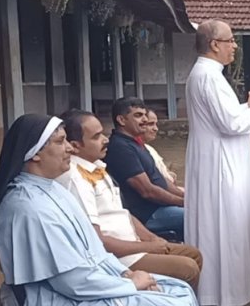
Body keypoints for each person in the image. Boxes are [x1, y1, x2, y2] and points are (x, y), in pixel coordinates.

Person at [0, 114, 212, 306]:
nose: (69, 147)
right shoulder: (28, 208)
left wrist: (125, 272)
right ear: (35, 153)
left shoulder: (52, 189)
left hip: (93, 284)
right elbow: (72, 282)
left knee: (180, 292)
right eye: (60, 142)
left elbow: (94, 250)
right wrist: (129, 283)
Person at [185, 19, 250, 306]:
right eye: (230, 41)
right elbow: (229, 124)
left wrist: (247, 107)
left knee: (220, 232)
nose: (234, 46)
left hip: (217, 160)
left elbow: (225, 116)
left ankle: (223, 301)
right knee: (222, 232)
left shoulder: (208, 75)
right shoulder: (208, 77)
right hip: (219, 167)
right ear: (214, 44)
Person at [58, 109, 203, 290]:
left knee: (194, 254)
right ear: (75, 146)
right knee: (187, 267)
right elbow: (98, 242)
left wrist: (152, 239)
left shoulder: (97, 167)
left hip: (134, 242)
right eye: (96, 137)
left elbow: (123, 213)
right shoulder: (76, 179)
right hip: (120, 256)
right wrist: (147, 246)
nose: (105, 139)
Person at [104, 97, 187, 237]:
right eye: (138, 115)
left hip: (160, 207)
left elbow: (161, 181)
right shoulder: (120, 148)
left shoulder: (136, 143)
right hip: (148, 214)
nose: (144, 120)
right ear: (121, 120)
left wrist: (187, 198)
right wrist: (183, 203)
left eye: (144, 115)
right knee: (202, 217)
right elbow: (147, 191)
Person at [143, 109, 180, 187]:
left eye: (156, 124)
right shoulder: (136, 151)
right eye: (150, 124)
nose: (156, 129)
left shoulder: (149, 149)